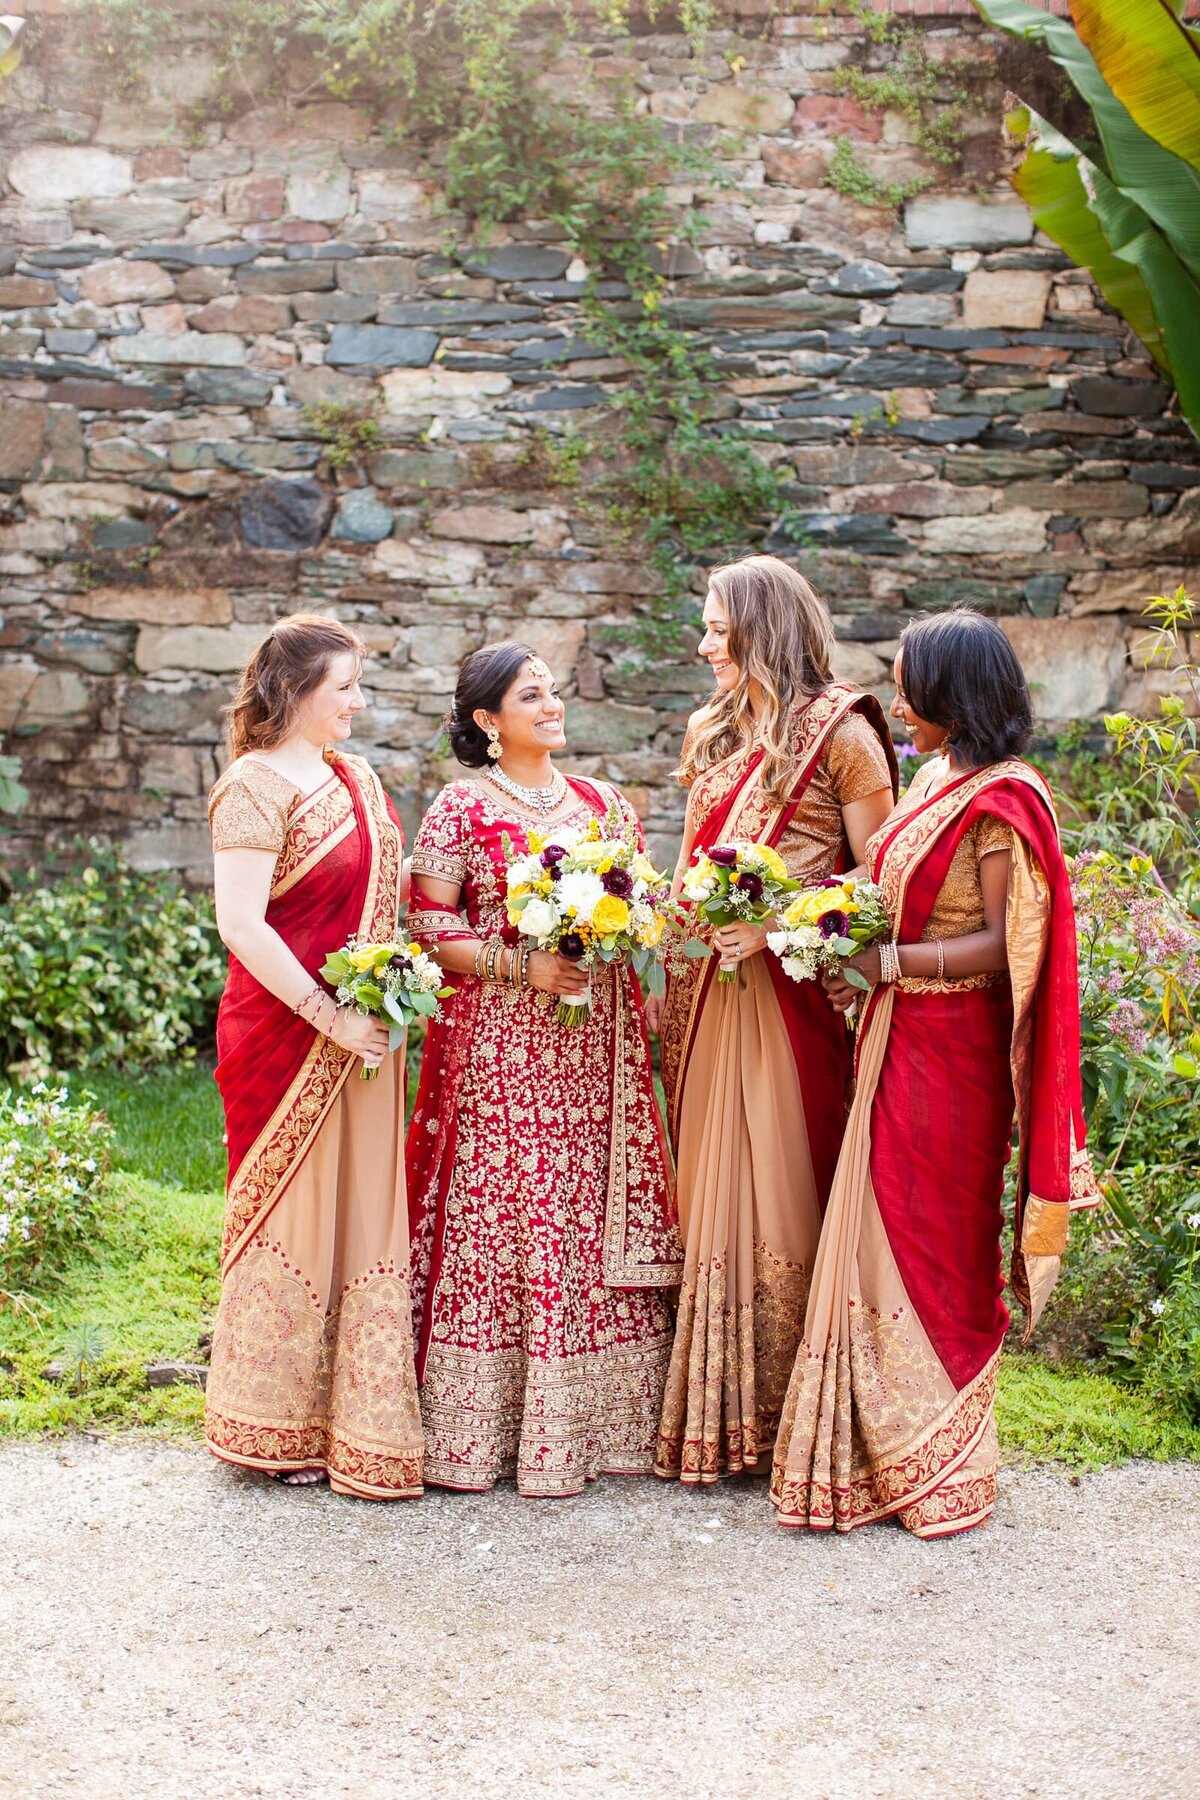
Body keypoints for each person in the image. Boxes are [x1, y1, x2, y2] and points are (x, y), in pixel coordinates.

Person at [770, 608, 1099, 1538]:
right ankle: (863, 1456)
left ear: (955, 692)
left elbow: (1003, 942)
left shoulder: (1006, 798)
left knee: (931, 1236)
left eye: (913, 686)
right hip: (889, 1034)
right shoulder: (930, 776)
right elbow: (890, 893)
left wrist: (889, 965)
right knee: (866, 1220)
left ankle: (940, 1458)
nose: (901, 702)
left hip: (953, 1050)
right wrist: (834, 924)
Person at [404, 642, 682, 1497]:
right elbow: (424, 928)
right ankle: (474, 1432)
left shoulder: (606, 805)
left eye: (553, 691)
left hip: (597, 1048)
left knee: (582, 1207)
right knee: (507, 1209)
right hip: (498, 1050)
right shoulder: (459, 808)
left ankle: (603, 1427)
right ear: (489, 722)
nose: (552, 705)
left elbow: (647, 911)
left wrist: (632, 934)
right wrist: (520, 967)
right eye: (532, 696)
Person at [649, 555, 897, 1485]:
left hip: (796, 999)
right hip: (713, 998)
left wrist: (779, 920)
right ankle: (714, 1416)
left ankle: (799, 1410)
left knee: (785, 1187)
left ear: (764, 627)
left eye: (718, 627)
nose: (705, 644)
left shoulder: (844, 733)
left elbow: (882, 881)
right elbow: (686, 874)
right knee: (710, 1185)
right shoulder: (711, 732)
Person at [204, 614, 424, 1499]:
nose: (359, 703)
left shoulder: (356, 777)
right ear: (294, 692)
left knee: (363, 1210)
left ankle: (360, 1422)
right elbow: (241, 922)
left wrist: (388, 998)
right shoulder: (254, 786)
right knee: (291, 1215)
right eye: (346, 688)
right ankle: (269, 1423)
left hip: (367, 1032)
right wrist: (326, 1015)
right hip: (285, 1032)